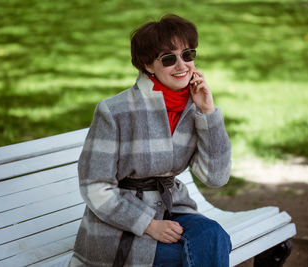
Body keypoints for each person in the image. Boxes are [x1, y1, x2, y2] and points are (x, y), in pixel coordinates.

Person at [69, 14, 232, 267]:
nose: (182, 66)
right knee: (185, 259)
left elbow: (216, 177)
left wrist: (208, 114)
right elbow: (94, 185)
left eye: (187, 55)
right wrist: (149, 225)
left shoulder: (194, 106)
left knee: (215, 236)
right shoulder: (114, 111)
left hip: (174, 209)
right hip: (121, 224)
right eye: (169, 59)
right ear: (147, 65)